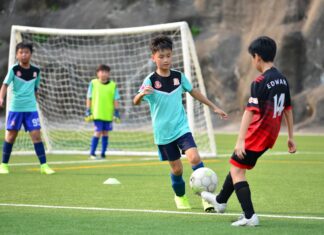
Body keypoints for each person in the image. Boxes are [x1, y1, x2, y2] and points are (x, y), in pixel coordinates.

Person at [201, 36, 297, 226]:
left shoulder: (260, 81)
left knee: (237, 172)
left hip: (257, 134)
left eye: (252, 57)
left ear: (257, 57)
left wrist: (240, 140)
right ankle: (220, 201)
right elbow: (288, 109)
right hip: (271, 135)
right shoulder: (282, 80)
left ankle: (250, 216)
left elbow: (249, 112)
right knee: (236, 165)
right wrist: (291, 137)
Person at [133, 35, 228, 212]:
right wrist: (141, 95)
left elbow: (194, 92)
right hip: (163, 133)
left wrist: (214, 107)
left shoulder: (178, 77)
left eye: (168, 55)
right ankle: (180, 195)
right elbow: (135, 101)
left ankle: (206, 198)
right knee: (177, 170)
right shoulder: (150, 80)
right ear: (153, 57)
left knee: (195, 158)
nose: (165, 59)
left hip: (181, 128)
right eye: (161, 56)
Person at [0, 42, 55, 174]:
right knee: (11, 136)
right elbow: (5, 85)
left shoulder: (36, 71)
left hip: (31, 109)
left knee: (36, 136)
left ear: (30, 54)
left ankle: (44, 166)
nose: (24, 55)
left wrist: (37, 102)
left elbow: (35, 89)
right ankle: (4, 165)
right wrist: (1, 98)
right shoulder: (14, 70)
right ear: (17, 55)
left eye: (26, 52)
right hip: (16, 109)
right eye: (21, 52)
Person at [85, 64, 120, 159]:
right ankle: (92, 153)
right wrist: (88, 110)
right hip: (97, 113)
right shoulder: (93, 83)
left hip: (108, 114)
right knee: (97, 132)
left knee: (106, 133)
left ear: (109, 74)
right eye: (102, 71)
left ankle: (103, 154)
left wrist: (117, 112)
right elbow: (89, 97)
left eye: (106, 72)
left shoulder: (113, 85)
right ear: (97, 73)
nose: (104, 74)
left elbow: (115, 99)